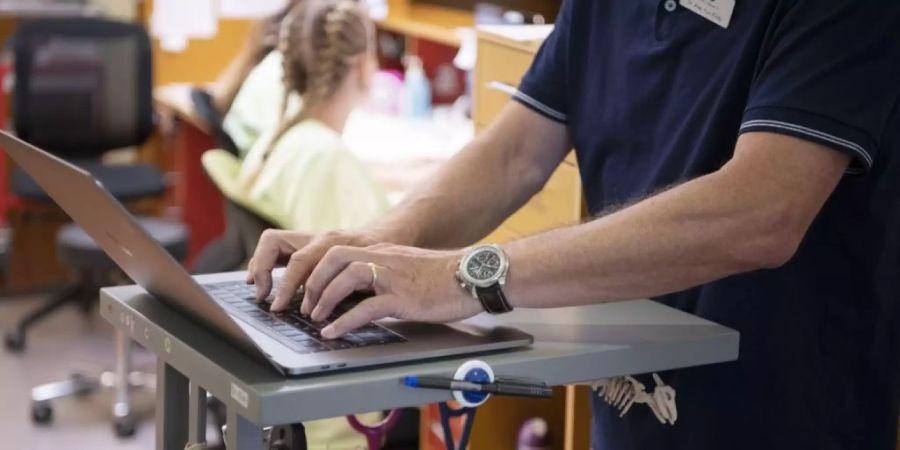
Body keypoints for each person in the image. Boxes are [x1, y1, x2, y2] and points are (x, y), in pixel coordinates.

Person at [247, 0, 900, 449]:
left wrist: (463, 275)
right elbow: (515, 153)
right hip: (629, 407)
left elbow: (760, 213)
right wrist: (377, 242)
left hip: (782, 414)